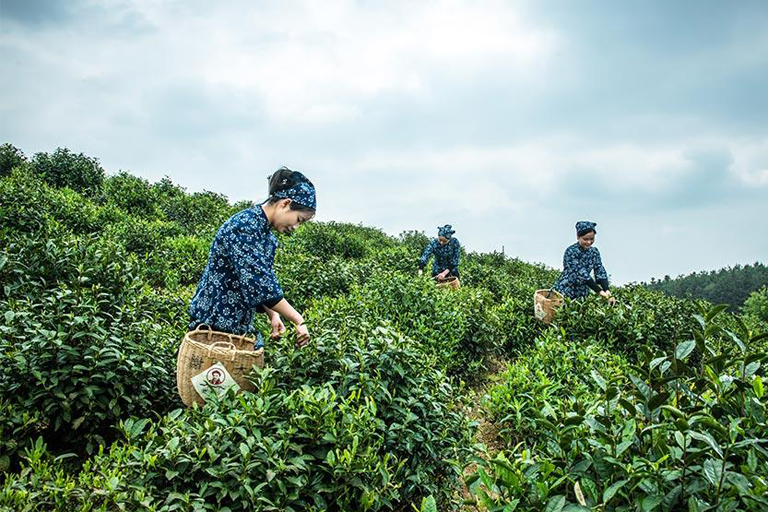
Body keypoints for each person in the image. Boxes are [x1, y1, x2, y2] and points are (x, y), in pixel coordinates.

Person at [188, 167, 315, 348]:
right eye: (298, 220)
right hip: (212, 324)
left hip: (238, 326)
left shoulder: (268, 238)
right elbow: (259, 283)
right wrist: (298, 319)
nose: (295, 227)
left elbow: (258, 282)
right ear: (285, 204)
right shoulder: (244, 226)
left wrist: (273, 315)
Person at [553, 221, 615, 305]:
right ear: (578, 237)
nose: (589, 242)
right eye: (585, 239)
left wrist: (606, 290)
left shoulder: (594, 252)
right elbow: (581, 274)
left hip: (583, 294)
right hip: (566, 292)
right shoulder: (571, 251)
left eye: (592, 239)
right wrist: (599, 291)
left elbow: (600, 270)